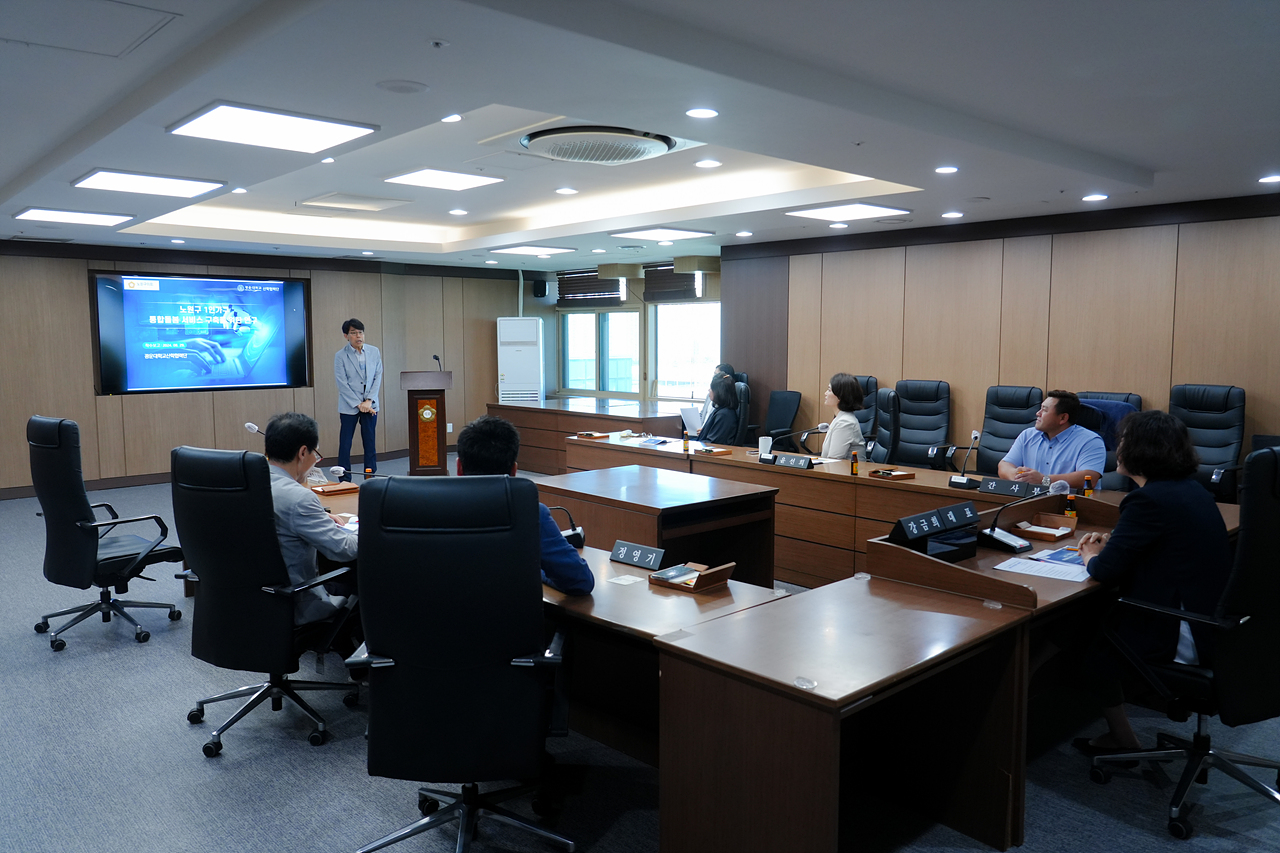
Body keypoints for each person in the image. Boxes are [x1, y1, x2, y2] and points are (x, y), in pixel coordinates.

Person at [1072, 410, 1231, 753]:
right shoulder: (1192, 490)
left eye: (1124, 441)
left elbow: (1103, 571)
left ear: (1142, 451)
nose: (1118, 447)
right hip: (1215, 625)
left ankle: (1121, 738)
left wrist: (1089, 553)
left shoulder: (1147, 500)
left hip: (1181, 631)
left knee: (1082, 635)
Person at [455, 415, 595, 595]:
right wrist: (536, 571)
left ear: (459, 467)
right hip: (509, 622)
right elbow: (580, 581)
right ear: (514, 471)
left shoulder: (424, 509)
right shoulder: (530, 513)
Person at [264, 412, 360, 626]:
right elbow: (343, 549)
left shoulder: (248, 483)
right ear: (303, 452)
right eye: (315, 454)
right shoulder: (299, 498)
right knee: (362, 578)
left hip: (254, 597)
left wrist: (320, 516)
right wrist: (370, 528)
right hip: (297, 599)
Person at [998, 390, 1105, 489]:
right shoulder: (1028, 435)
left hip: (1070, 503)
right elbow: (1004, 465)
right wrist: (1017, 476)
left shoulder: (1090, 441)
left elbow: (1089, 478)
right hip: (1029, 499)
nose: (1037, 413)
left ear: (1063, 418)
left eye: (1044, 410)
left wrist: (1043, 480)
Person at [334, 318, 383, 482]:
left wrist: (369, 400)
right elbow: (342, 384)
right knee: (345, 444)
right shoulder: (340, 356)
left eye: (360, 332)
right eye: (353, 333)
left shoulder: (374, 351)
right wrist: (358, 404)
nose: (358, 336)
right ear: (346, 336)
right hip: (349, 406)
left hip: (371, 405)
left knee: (370, 442)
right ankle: (344, 479)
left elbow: (378, 377)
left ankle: (370, 477)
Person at [820, 372, 867, 460]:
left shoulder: (845, 423)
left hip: (847, 472)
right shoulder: (840, 417)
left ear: (840, 396)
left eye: (829, 390)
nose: (825, 393)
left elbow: (834, 459)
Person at [696, 373, 739, 445]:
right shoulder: (720, 410)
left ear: (719, 392)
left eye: (711, 388)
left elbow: (713, 443)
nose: (709, 390)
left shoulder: (724, 415)